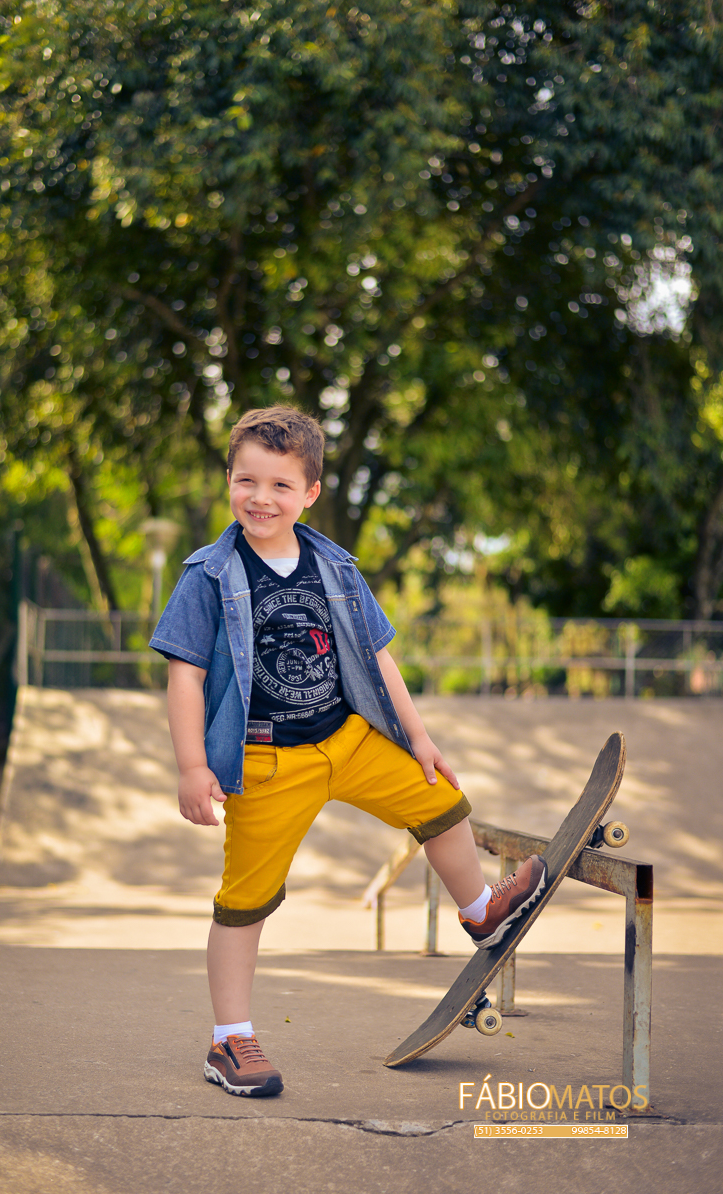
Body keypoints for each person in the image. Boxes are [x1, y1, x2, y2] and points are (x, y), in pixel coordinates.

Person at [150, 405, 546, 1098]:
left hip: (351, 737)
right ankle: (229, 1041)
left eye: (279, 486)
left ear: (309, 493)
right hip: (267, 761)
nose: (260, 498)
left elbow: (377, 655)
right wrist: (191, 765)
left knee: (442, 803)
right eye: (247, 481)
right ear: (228, 482)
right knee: (244, 902)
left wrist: (417, 736)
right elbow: (184, 673)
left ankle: (480, 908)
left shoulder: (333, 565)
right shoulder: (207, 575)